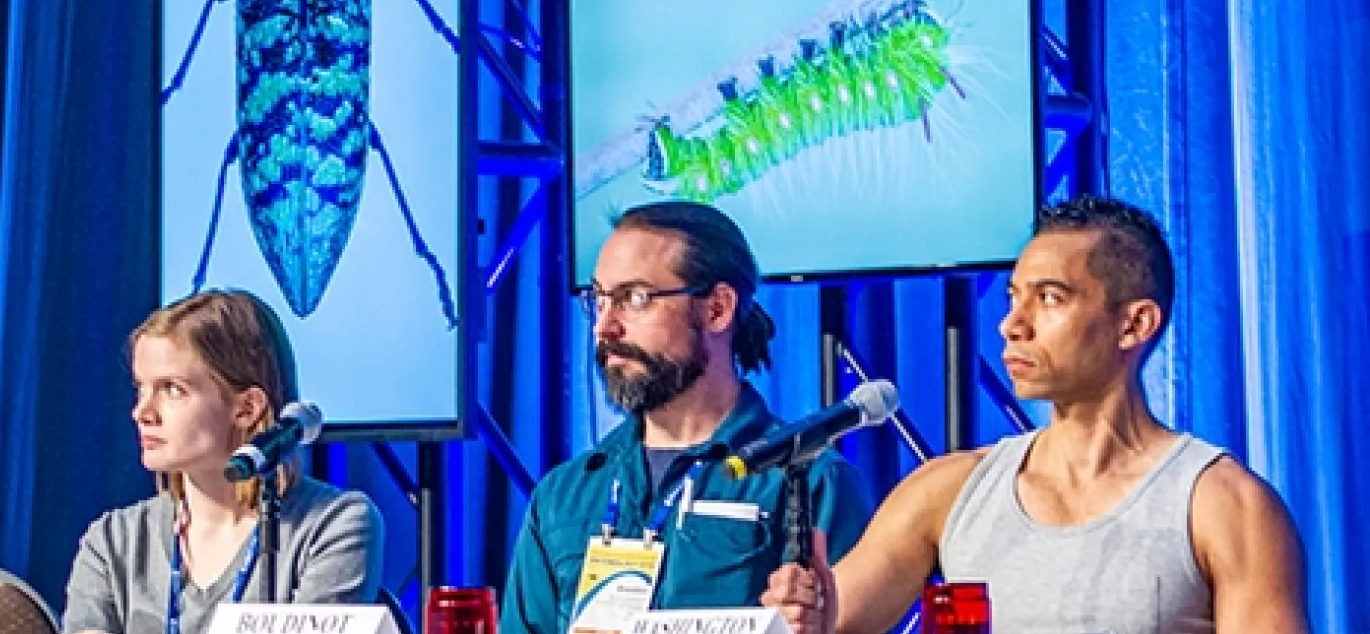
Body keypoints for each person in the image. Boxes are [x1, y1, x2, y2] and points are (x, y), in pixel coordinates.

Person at [761, 195, 1309, 634]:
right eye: (1012, 299)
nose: (1012, 325)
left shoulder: (1223, 504)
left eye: (1049, 298)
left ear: (1134, 325)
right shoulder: (949, 490)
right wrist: (807, 621)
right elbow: (829, 622)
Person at [501, 200, 877, 634]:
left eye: (634, 299)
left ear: (717, 309)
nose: (605, 328)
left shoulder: (807, 482)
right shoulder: (565, 494)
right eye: (599, 300)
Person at [62, 289, 386, 634]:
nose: (142, 413)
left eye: (172, 389)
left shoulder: (332, 525)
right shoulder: (115, 540)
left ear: (246, 408)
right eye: (141, 388)